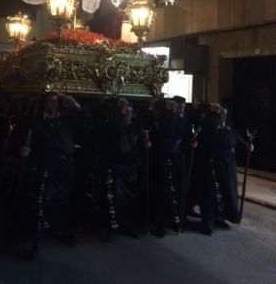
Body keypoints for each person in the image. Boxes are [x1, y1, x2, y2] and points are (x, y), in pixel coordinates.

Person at [20, 92, 81, 258]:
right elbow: (27, 140)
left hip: (66, 165)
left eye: (56, 102)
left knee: (65, 199)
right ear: (44, 104)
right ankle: (36, 237)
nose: (53, 106)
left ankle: (62, 230)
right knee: (42, 200)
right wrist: (25, 151)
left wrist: (75, 105)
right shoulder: (38, 122)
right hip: (47, 165)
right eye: (50, 102)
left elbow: (86, 125)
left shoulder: (66, 119)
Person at [95, 98, 148, 241]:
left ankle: (127, 225)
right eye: (125, 112)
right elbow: (110, 138)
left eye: (130, 112)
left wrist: (145, 145)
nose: (127, 114)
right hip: (116, 166)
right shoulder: (113, 124)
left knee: (130, 199)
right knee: (113, 198)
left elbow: (138, 145)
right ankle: (110, 227)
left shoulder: (136, 126)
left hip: (131, 167)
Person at [197, 105, 252, 235]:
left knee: (226, 191)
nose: (223, 116)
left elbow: (238, 139)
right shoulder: (209, 127)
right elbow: (204, 142)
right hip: (213, 163)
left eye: (225, 114)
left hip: (229, 165)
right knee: (211, 193)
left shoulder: (229, 127)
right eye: (221, 114)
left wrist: (247, 146)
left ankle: (222, 216)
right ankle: (208, 222)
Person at [149, 96, 192, 235]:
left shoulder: (184, 119)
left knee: (179, 188)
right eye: (179, 107)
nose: (181, 110)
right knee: (163, 190)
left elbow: (186, 136)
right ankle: (160, 222)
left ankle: (177, 219)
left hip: (178, 158)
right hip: (164, 157)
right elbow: (163, 133)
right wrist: (172, 115)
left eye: (183, 108)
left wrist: (191, 143)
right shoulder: (164, 118)